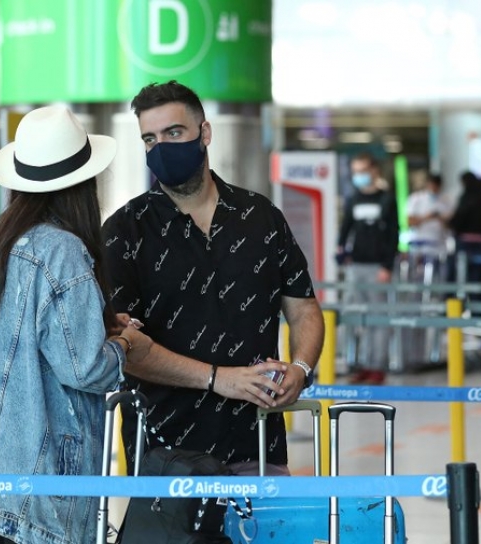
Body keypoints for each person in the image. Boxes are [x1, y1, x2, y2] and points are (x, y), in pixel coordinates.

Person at [0, 106, 287, 544]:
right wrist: (124, 343)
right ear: (82, 184)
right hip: (44, 483)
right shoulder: (63, 251)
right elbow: (86, 369)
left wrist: (99, 324)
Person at [102, 81, 324, 477]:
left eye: (174, 133)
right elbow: (126, 345)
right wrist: (218, 379)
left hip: (257, 442)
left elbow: (304, 307)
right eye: (150, 139)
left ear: (204, 133)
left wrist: (302, 369)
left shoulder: (260, 217)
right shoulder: (125, 231)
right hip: (164, 454)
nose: (162, 148)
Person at [336, 153, 400, 385]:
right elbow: (346, 228)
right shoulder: (353, 199)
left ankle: (377, 365)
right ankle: (361, 363)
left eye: (362, 170)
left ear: (374, 170)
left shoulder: (387, 199)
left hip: (377, 267)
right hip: (357, 265)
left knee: (377, 318)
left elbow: (394, 233)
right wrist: (342, 252)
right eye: (355, 171)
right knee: (357, 317)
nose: (359, 176)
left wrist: (387, 265)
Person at [447, 171, 481, 305]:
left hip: (464, 244)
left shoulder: (466, 198)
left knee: (458, 278)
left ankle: (455, 310)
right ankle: (477, 310)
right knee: (477, 279)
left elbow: (457, 220)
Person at [406, 173, 451, 261]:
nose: (433, 189)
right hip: (420, 242)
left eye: (436, 187)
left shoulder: (446, 201)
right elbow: (410, 222)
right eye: (431, 186)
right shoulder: (416, 199)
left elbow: (450, 224)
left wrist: (441, 219)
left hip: (439, 243)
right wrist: (427, 217)